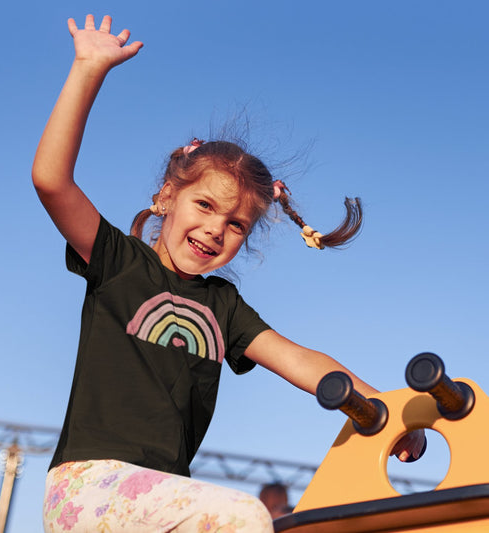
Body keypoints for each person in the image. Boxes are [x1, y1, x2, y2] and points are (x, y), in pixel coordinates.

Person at [33, 14, 425, 533]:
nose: (215, 229)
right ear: (166, 197)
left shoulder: (223, 308)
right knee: (243, 517)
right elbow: (51, 179)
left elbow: (302, 361)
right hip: (87, 486)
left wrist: (388, 410)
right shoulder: (119, 263)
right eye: (203, 205)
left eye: (236, 224)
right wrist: (89, 69)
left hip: (162, 497)